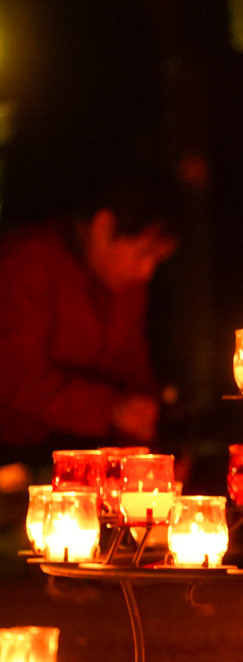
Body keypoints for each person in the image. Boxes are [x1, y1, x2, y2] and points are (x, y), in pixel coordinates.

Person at [0, 0, 164, 226]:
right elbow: (149, 101)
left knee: (32, 249)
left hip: (37, 162)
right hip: (109, 166)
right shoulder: (124, 7)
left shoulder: (17, 1)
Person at [0, 174, 178, 454]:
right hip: (16, 453)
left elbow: (131, 365)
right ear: (103, 226)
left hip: (92, 449)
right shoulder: (23, 263)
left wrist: (153, 445)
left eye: (156, 259)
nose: (147, 271)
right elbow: (14, 375)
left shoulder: (125, 284)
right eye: (143, 253)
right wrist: (110, 410)